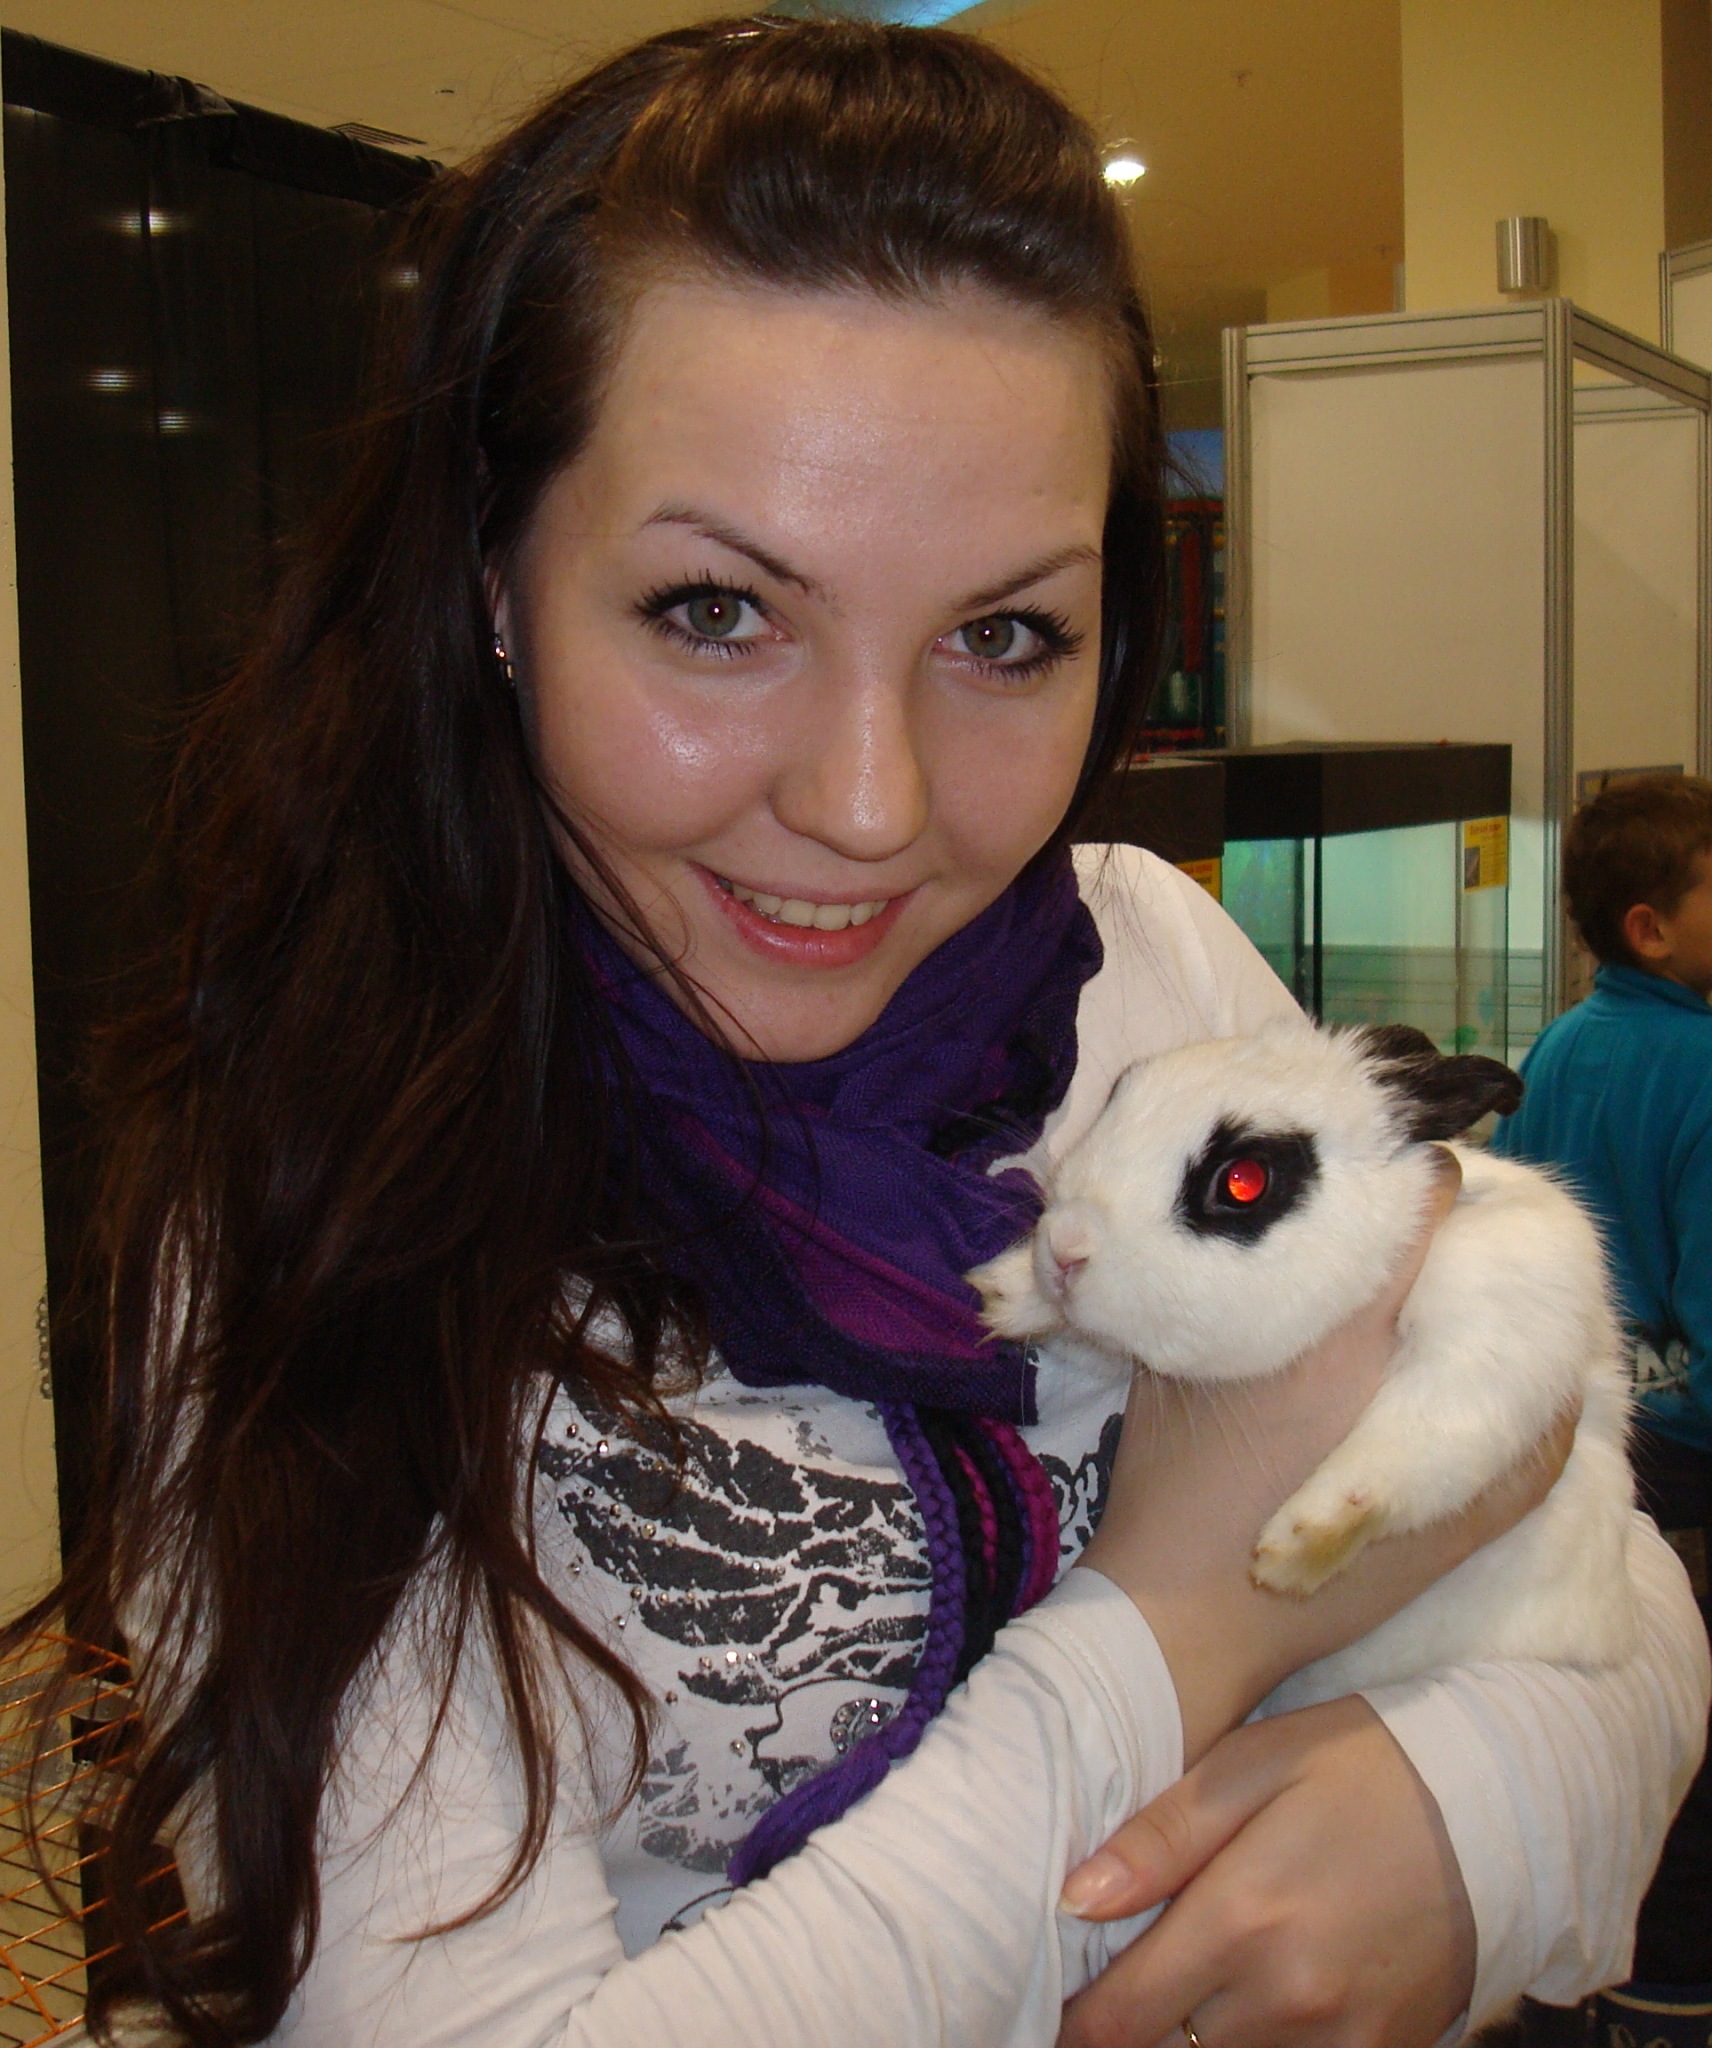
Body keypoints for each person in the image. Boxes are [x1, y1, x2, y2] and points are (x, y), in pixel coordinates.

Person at [7, 21, 1703, 2048]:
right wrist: (1170, 1624)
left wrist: (1468, 1813)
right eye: (717, 611)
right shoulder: (308, 1194)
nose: (874, 805)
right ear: (491, 584)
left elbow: (1592, 1548)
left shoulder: (1142, 970)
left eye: (1002, 634)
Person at [1493, 774, 1712, 2048]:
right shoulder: (1702, 1069)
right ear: (1651, 926)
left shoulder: (1562, 1045)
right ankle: (1670, 1997)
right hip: (1681, 1471)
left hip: (1571, 1450)